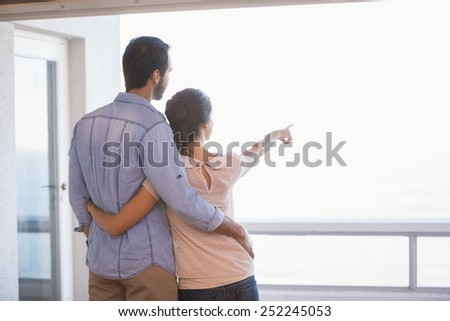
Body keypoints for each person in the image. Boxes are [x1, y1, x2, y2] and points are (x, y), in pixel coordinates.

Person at [68, 37, 252, 301]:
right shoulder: (154, 126)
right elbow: (181, 199)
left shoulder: (86, 124)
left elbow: (76, 193)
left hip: (100, 262)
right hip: (147, 262)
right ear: (156, 75)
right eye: (169, 71)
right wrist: (234, 228)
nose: (168, 76)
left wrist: (93, 233)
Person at [86, 88, 293, 301]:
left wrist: (91, 208)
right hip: (241, 277)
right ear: (206, 124)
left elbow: (116, 225)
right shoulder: (230, 164)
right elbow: (254, 153)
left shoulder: (166, 174)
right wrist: (277, 135)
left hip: (197, 286)